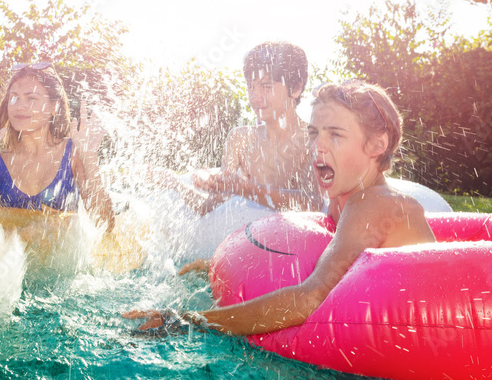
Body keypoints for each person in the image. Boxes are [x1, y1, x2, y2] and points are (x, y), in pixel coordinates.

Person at [124, 79, 436, 336]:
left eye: (336, 134)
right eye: (313, 133)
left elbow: (310, 299)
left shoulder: (374, 203)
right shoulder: (346, 202)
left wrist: (189, 321)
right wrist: (214, 263)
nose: (317, 146)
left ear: (376, 146)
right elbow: (322, 261)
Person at [156, 40, 319, 216]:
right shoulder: (241, 139)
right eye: (251, 86)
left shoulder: (313, 140)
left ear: (295, 88)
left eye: (266, 87)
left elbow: (313, 204)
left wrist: (244, 188)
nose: (255, 97)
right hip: (243, 236)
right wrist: (175, 183)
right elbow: (209, 208)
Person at [0, 62, 116, 231]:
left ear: (54, 106)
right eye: (14, 97)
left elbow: (104, 224)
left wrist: (89, 157)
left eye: (31, 98)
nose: (19, 105)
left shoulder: (73, 154)